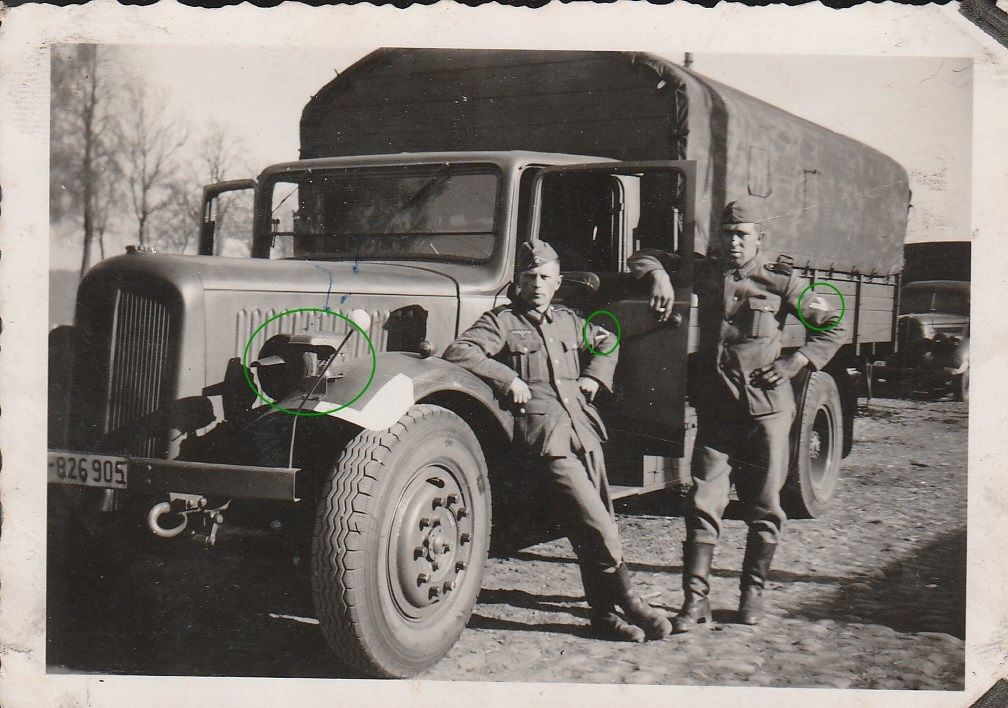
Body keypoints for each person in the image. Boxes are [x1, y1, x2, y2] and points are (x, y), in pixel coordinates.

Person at [628, 196, 847, 630]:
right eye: (727, 233)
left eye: (742, 234)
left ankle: (752, 596)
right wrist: (660, 278)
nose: (733, 242)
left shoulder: (782, 283)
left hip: (767, 413)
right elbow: (643, 256)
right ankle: (695, 603)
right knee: (701, 503)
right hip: (717, 412)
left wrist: (795, 361)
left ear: (759, 239)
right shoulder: (706, 273)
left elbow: (833, 323)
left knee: (764, 506)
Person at [443, 239, 672, 642]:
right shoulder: (501, 323)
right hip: (545, 438)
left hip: (583, 431)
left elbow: (607, 340)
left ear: (558, 281)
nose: (537, 284)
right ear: (517, 282)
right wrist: (507, 377)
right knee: (598, 524)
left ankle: (603, 616)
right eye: (529, 277)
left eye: (545, 277)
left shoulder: (567, 321)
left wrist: (594, 376)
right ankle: (632, 601)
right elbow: (459, 351)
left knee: (595, 524)